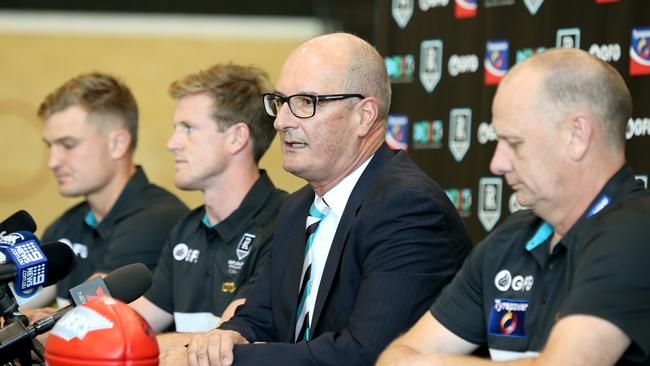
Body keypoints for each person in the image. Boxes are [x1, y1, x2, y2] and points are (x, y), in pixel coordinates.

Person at [172, 32, 473, 366]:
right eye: (280, 102)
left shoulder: (407, 208)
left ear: (364, 116)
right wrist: (226, 338)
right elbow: (258, 317)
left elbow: (365, 355)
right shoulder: (296, 207)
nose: (282, 121)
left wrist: (232, 361)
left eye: (305, 103)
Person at [377, 48, 650, 366]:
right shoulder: (507, 242)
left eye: (515, 143)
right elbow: (396, 359)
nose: (497, 163)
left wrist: (434, 364)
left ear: (577, 135)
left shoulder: (636, 234)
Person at [130, 63, 288, 352]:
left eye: (188, 128)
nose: (171, 143)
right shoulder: (187, 229)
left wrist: (133, 343)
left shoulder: (285, 222)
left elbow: (224, 343)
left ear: (237, 138)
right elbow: (131, 326)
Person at [38, 72, 189, 308]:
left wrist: (31, 321)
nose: (52, 161)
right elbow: (18, 302)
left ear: (117, 144)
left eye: (68, 145)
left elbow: (86, 312)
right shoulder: (65, 225)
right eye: (50, 146)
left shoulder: (158, 219)